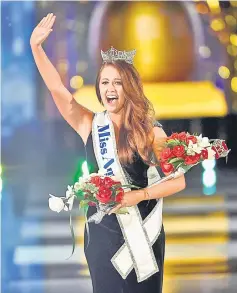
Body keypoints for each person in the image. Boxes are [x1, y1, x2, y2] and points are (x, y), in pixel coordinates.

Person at [30, 13, 186, 293]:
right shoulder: (90, 123)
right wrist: (37, 49)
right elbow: (57, 89)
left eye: (118, 82)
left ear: (130, 87)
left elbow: (178, 180)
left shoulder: (150, 131)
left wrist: (138, 195)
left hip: (143, 233)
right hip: (102, 233)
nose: (111, 89)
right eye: (105, 82)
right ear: (99, 88)